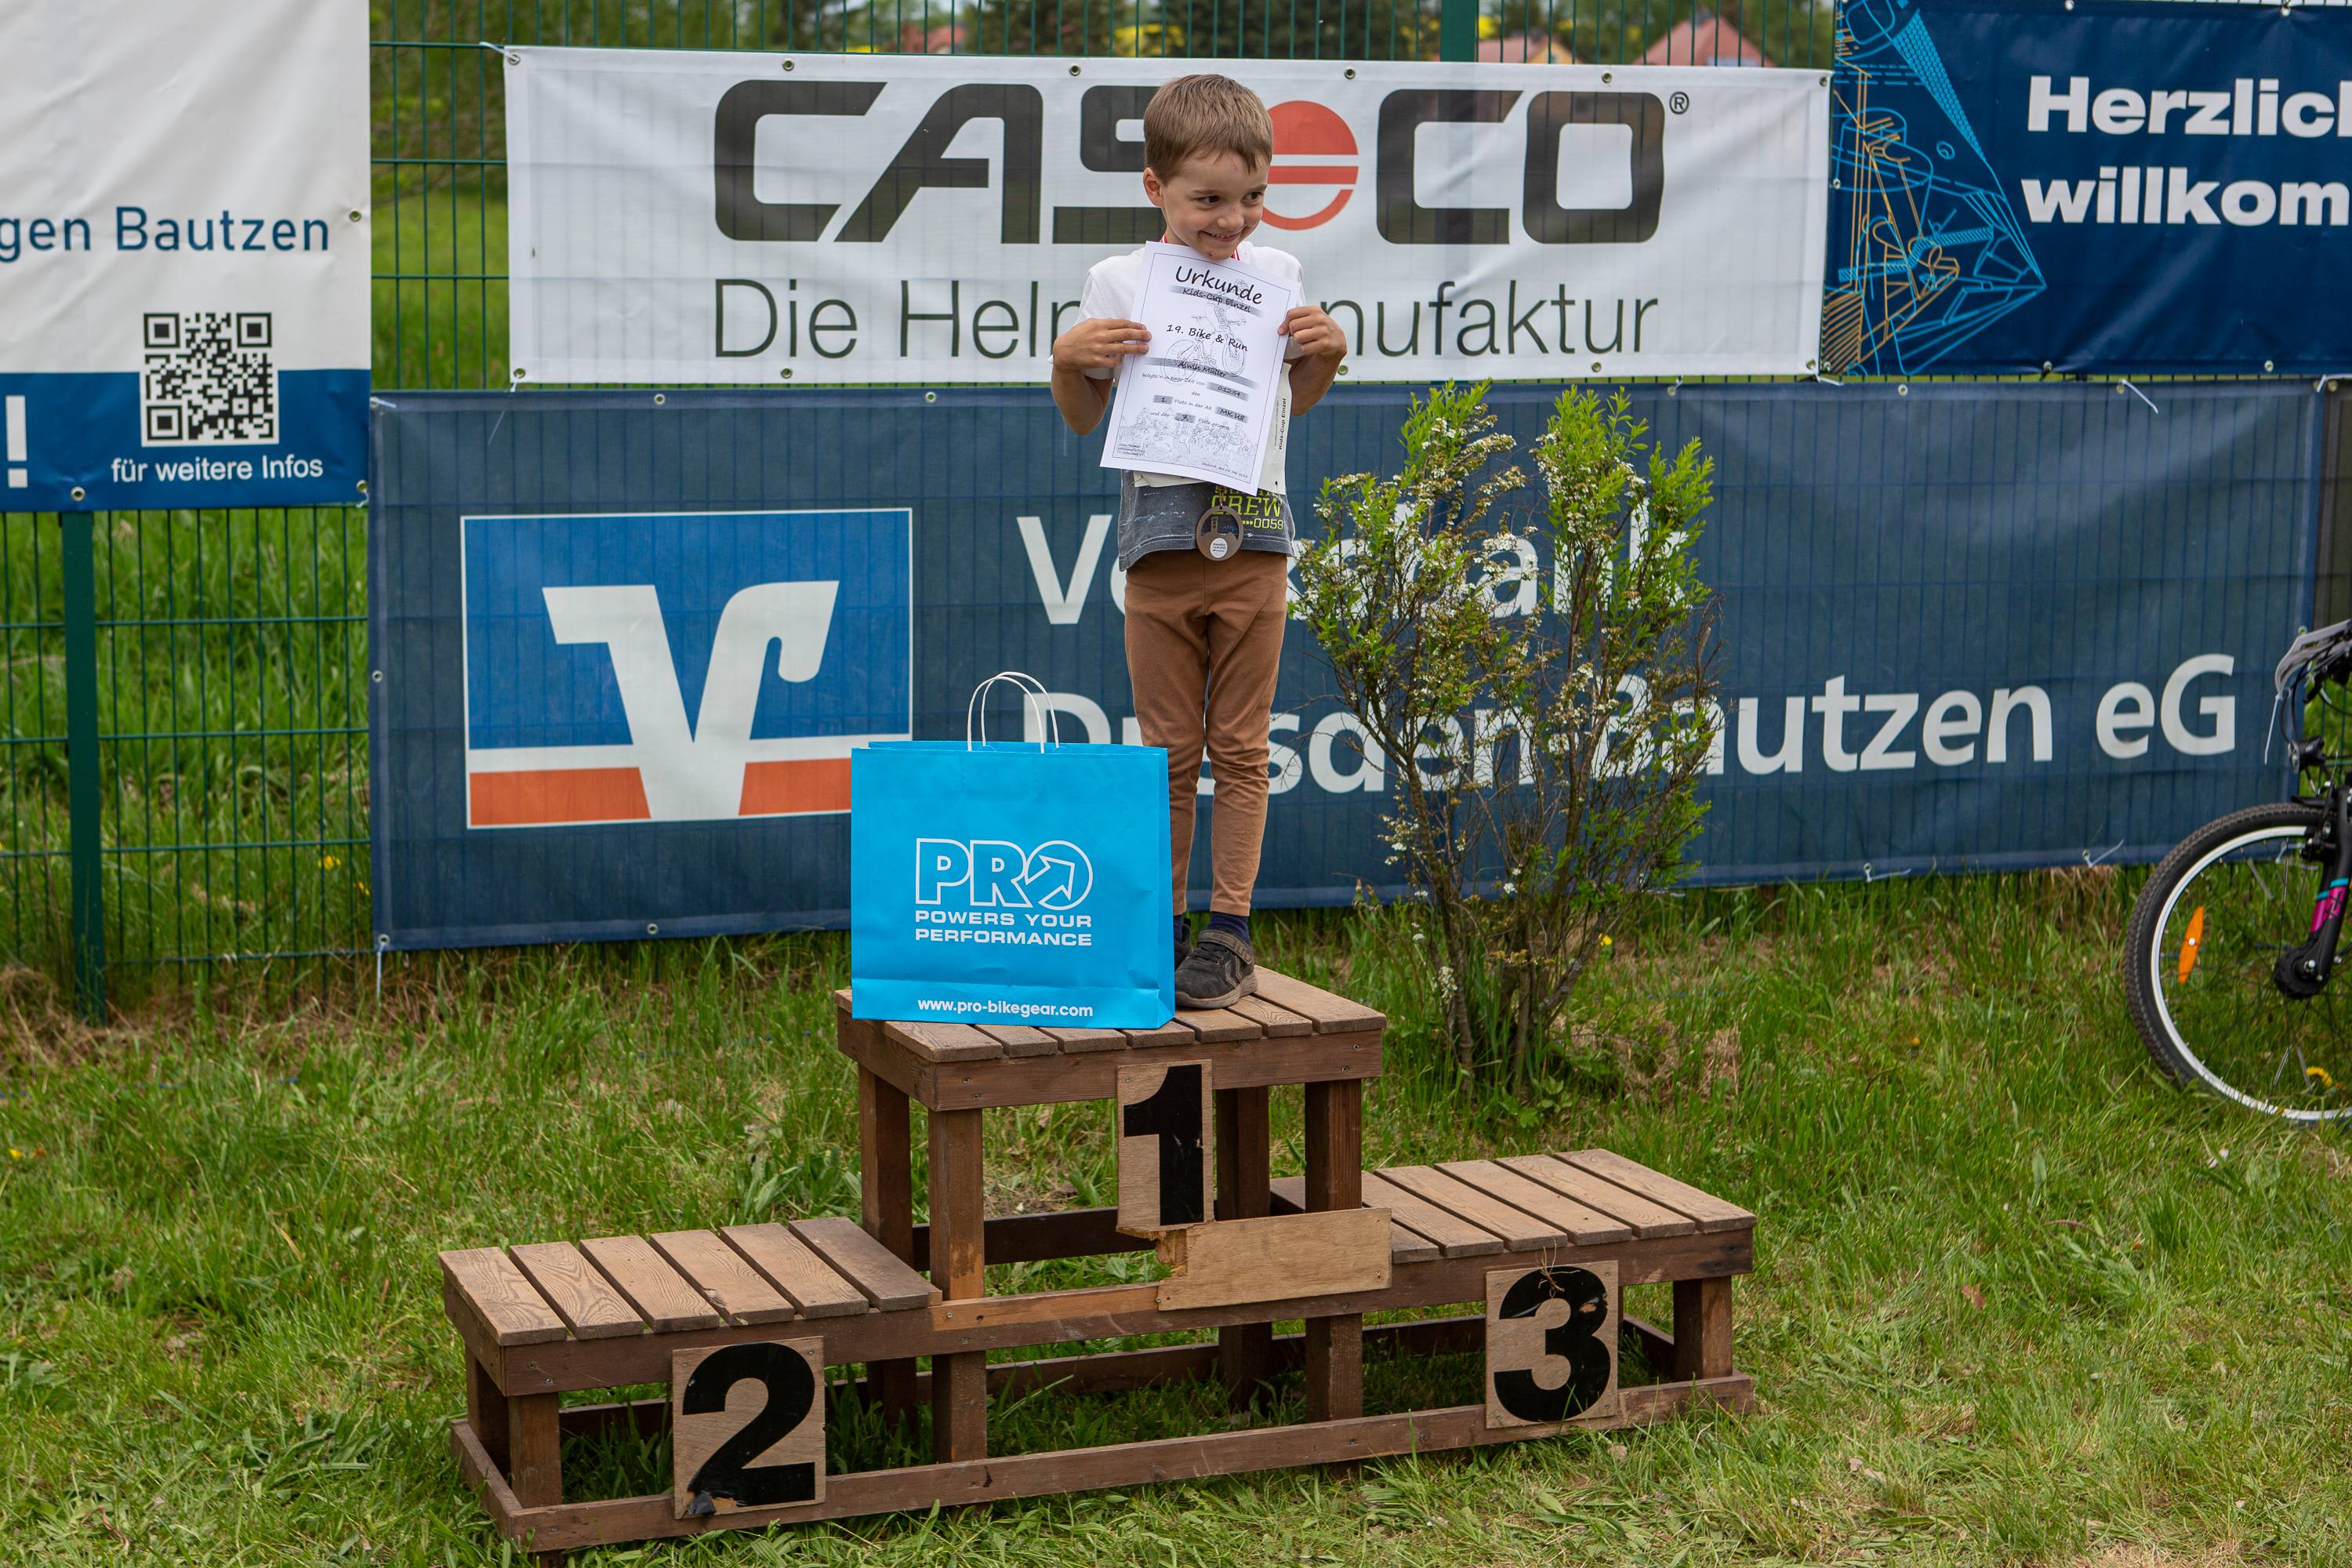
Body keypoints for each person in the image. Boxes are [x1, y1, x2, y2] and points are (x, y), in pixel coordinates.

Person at [1048, 73, 1346, 1009]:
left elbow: (1292, 404)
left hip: (1255, 542)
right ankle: (1161, 925)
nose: (1232, 219)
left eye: (1252, 197)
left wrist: (1326, 355)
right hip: (1158, 549)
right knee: (1169, 751)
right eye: (1208, 199)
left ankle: (1231, 929)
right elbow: (1083, 416)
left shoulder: (1280, 275)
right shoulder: (1117, 281)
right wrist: (1066, 360)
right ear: (1156, 188)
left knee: (1244, 746)